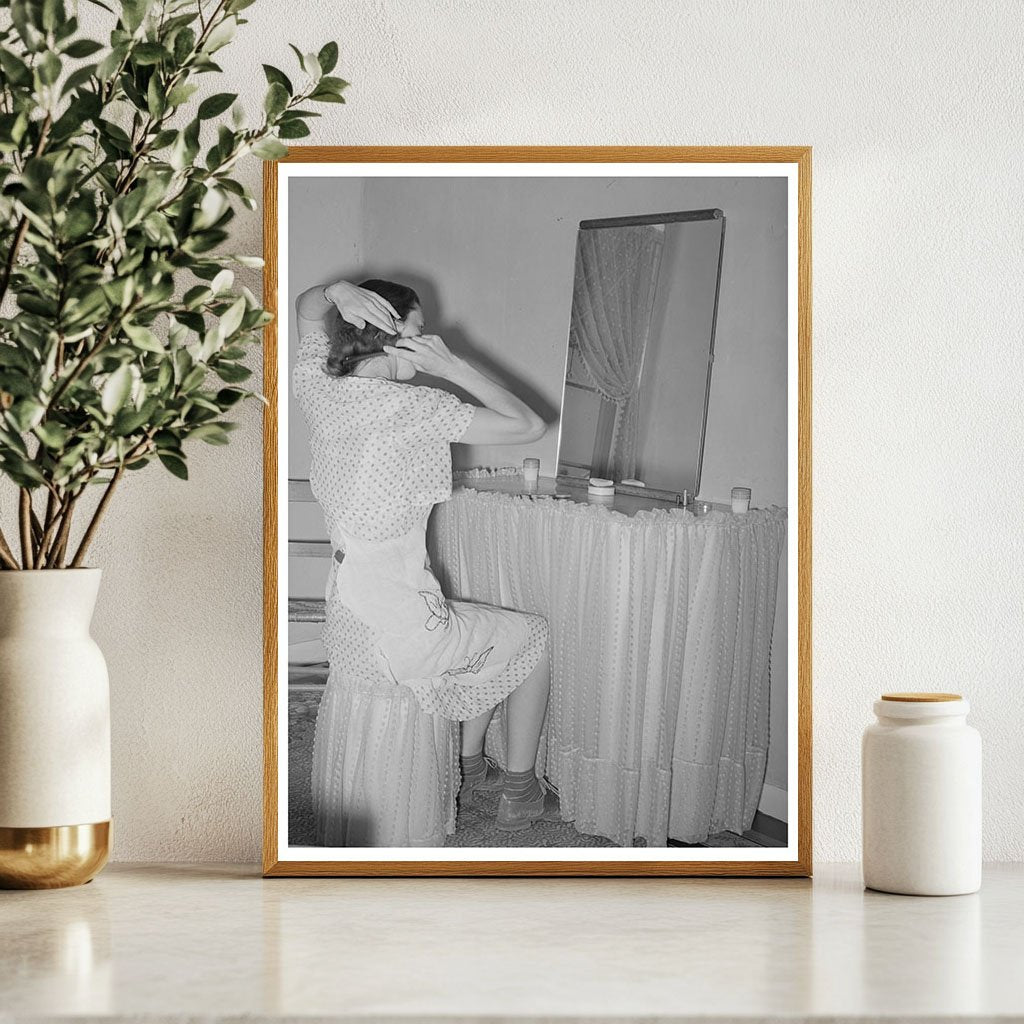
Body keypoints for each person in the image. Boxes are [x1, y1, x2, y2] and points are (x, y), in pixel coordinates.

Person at [293, 277, 560, 840]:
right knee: (530, 638)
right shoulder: (417, 407)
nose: (427, 338)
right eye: (419, 329)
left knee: (397, 688)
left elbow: (306, 307)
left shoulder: (320, 390)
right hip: (399, 614)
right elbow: (530, 426)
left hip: (348, 605)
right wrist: (453, 366)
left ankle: (466, 765)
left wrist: (337, 290)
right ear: (392, 336)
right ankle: (519, 788)